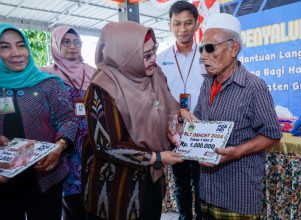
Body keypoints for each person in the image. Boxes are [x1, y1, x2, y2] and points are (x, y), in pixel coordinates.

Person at [173, 13, 283, 218]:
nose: (203, 55)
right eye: (201, 49)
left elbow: (272, 134)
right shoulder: (207, 84)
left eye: (210, 48)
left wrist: (237, 152)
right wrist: (185, 125)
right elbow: (199, 123)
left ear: (233, 48)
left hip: (237, 193)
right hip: (206, 190)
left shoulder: (253, 87)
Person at [81, 21, 183, 220]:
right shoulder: (102, 87)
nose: (154, 59)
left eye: (154, 51)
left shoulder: (155, 75)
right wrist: (157, 158)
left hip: (151, 181)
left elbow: (166, 110)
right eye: (146, 56)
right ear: (125, 55)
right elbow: (106, 146)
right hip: (116, 188)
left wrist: (175, 127)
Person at [0, 24, 77, 220]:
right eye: (5, 47)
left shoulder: (48, 83)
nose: (16, 53)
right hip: (4, 179)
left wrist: (59, 146)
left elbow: (67, 119)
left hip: (45, 176)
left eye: (20, 45)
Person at [41, 25, 95, 220]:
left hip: (92, 144)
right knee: (69, 204)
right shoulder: (44, 76)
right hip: (62, 145)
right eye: (66, 41)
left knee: (94, 199)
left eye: (76, 42)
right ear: (56, 44)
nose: (72, 46)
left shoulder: (93, 73)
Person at [157, 1, 205, 219]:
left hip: (203, 127)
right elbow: (158, 95)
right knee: (181, 180)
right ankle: (185, 216)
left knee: (204, 180)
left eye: (188, 23)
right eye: (177, 24)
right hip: (174, 129)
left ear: (196, 25)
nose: (182, 29)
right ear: (169, 25)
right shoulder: (161, 59)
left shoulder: (207, 55)